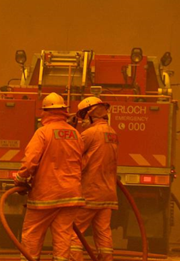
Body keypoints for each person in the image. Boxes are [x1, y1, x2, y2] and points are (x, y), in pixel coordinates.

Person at [13, 92, 85, 261]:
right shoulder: (75, 134)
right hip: (71, 196)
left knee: (32, 235)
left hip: (45, 196)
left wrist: (21, 180)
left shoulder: (43, 133)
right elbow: (82, 162)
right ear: (63, 112)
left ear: (45, 111)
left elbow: (30, 161)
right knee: (63, 237)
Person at [69, 97, 118, 261]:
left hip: (89, 193)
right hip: (107, 194)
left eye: (83, 116)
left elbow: (72, 156)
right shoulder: (112, 133)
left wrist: (70, 129)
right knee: (103, 233)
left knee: (74, 234)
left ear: (90, 115)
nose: (82, 120)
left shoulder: (89, 134)